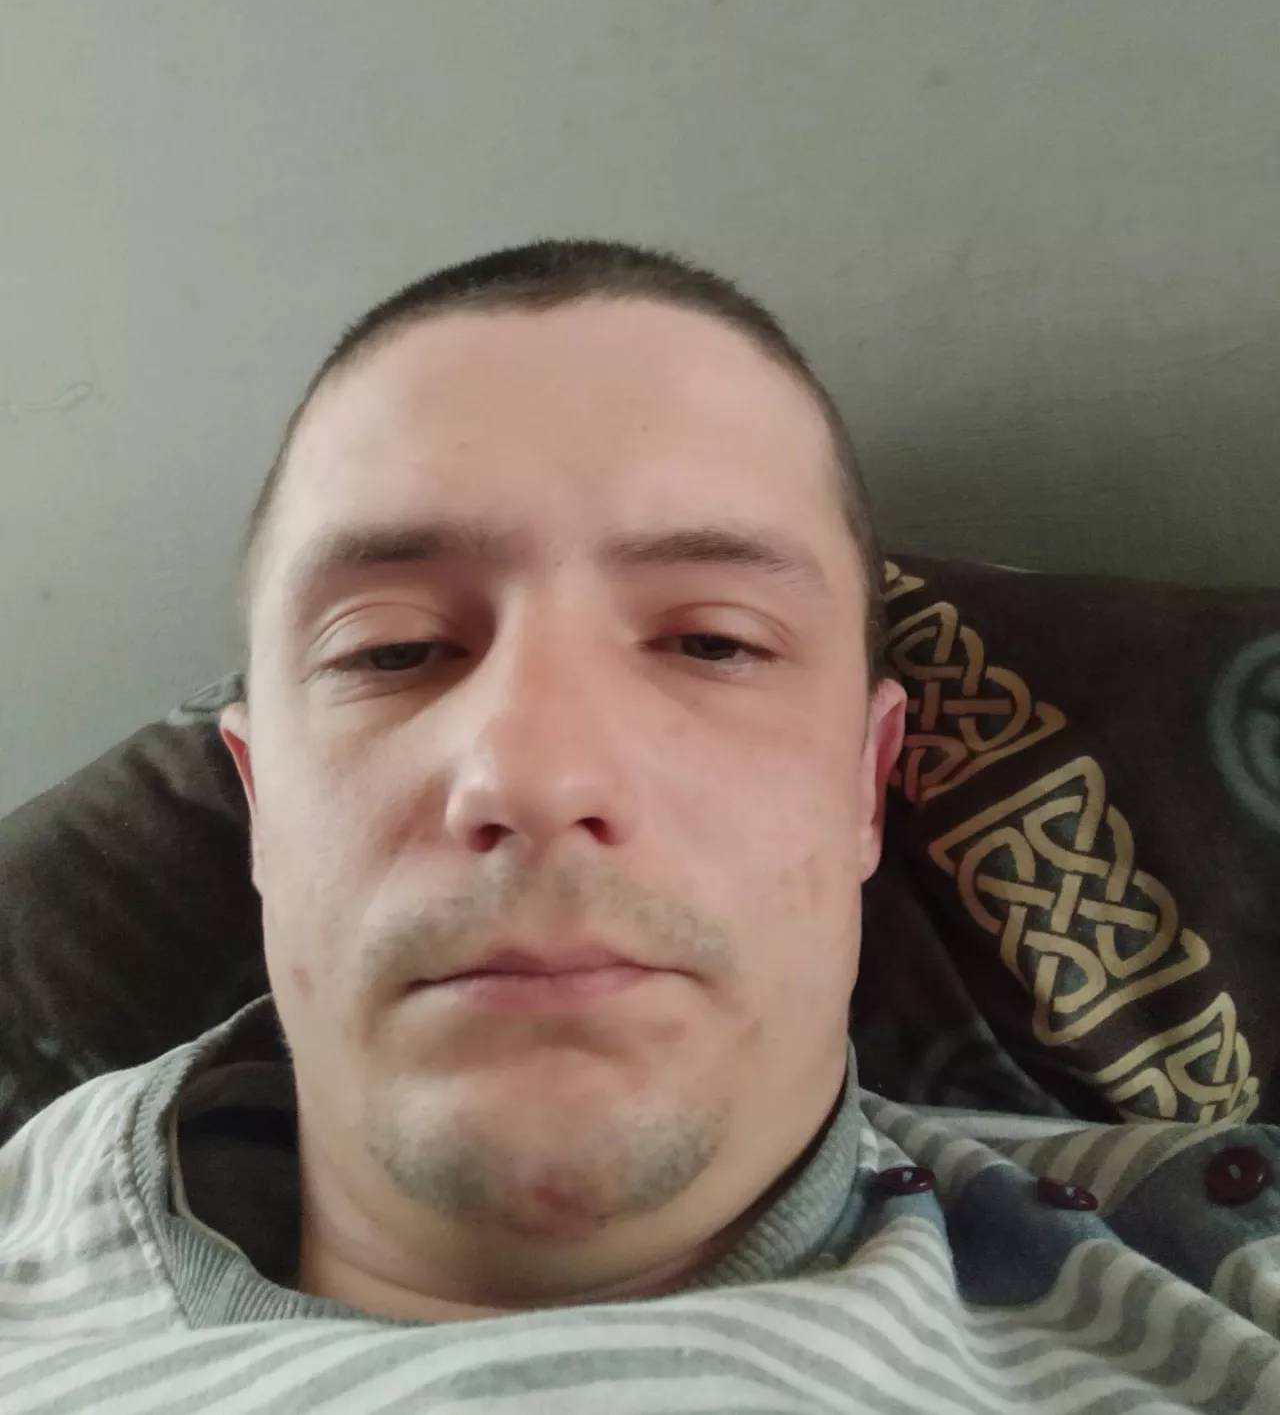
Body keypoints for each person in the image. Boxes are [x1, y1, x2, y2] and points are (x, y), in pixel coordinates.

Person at [1, 239, 1277, 1414]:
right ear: (260, 805)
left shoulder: (1215, 1291)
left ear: (864, 784)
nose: (534, 773)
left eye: (711, 641)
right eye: (393, 648)